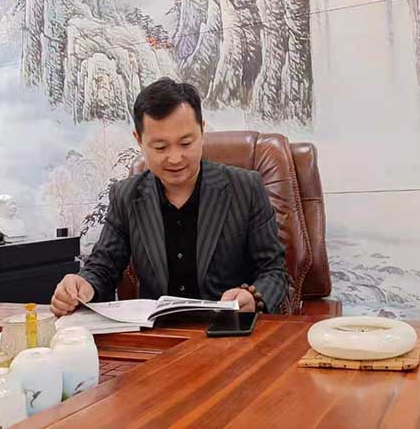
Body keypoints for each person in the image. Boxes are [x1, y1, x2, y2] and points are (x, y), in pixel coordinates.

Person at [50, 78, 288, 316]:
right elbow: (103, 267)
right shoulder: (126, 196)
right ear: (139, 140)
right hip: (158, 332)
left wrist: (253, 298)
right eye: (160, 147)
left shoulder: (245, 188)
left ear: (202, 130)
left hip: (227, 328)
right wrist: (83, 286)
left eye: (186, 143)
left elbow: (273, 270)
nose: (175, 158)